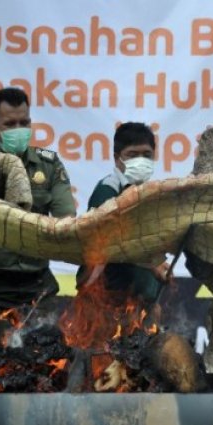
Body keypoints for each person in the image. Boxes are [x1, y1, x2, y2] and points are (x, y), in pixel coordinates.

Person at [0, 87, 76, 359]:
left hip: (38, 287)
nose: (19, 129)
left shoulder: (49, 165)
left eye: (24, 123)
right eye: (10, 124)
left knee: (50, 362)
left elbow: (67, 220)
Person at [76, 122, 168, 307]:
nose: (141, 160)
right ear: (118, 159)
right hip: (109, 300)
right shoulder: (107, 190)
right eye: (132, 155)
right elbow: (111, 243)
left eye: (146, 155)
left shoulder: (152, 193)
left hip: (143, 301)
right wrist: (153, 263)